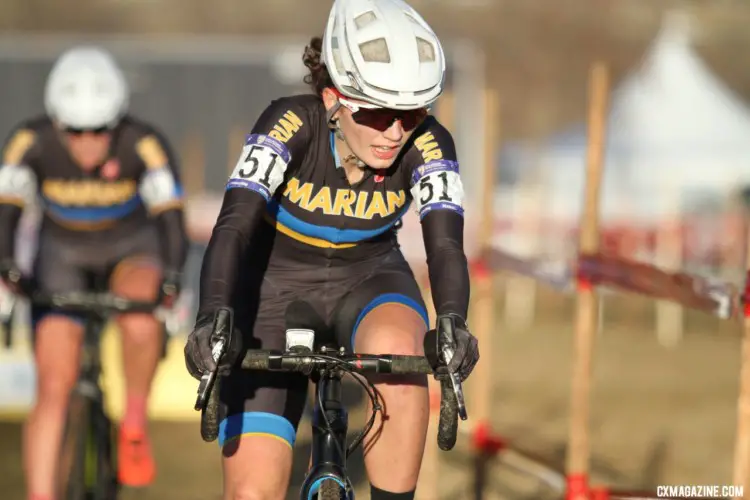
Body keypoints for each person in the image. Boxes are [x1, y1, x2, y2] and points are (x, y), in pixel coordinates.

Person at [183, 0, 480, 498]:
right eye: (377, 112)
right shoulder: (289, 123)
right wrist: (212, 314)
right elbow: (234, 225)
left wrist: (454, 321)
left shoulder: (429, 144)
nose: (394, 132)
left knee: (403, 356)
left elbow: (446, 243)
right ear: (332, 99)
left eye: (412, 114)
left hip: (369, 280)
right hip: (272, 290)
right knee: (253, 491)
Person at [0, 46, 188, 499]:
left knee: (142, 316)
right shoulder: (30, 140)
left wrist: (172, 279)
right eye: (74, 131)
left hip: (131, 250)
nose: (86, 143)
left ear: (118, 120)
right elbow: (6, 210)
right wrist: (7, 265)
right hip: (61, 256)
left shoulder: (144, 142)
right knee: (53, 387)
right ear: (55, 122)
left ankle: (134, 425)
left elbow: (171, 220)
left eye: (99, 131)